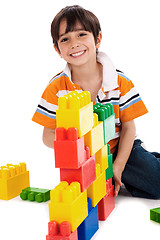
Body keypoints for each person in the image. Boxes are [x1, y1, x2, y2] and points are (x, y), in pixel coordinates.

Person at [32, 5, 160, 199]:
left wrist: (118, 166)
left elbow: (129, 128)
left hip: (120, 149)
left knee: (156, 184)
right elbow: (47, 136)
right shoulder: (57, 88)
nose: (74, 43)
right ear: (57, 49)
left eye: (81, 35)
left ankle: (143, 165)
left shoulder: (118, 80)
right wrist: (74, 146)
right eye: (65, 39)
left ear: (97, 39)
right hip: (84, 158)